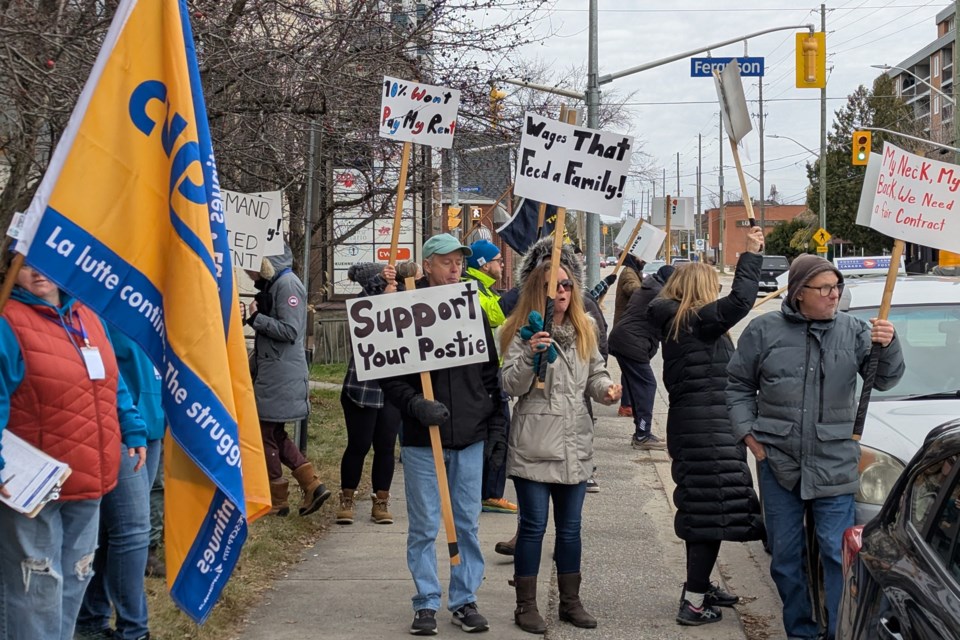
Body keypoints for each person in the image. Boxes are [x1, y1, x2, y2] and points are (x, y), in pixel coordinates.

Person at [727, 253, 904, 640]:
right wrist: (750, 437)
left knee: (837, 555)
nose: (833, 295)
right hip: (779, 462)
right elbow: (737, 385)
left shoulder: (856, 332)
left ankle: (839, 631)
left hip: (835, 462)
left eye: (837, 287)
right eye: (824, 288)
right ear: (798, 293)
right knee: (786, 560)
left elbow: (887, 380)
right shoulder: (763, 331)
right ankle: (802, 632)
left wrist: (887, 346)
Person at [0, 264, 147, 640]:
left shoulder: (87, 315)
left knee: (74, 582)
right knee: (36, 590)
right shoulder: (7, 320)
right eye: (26, 263)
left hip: (88, 480)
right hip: (33, 488)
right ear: (11, 268)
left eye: (44, 259)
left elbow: (111, 381)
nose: (37, 271)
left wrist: (131, 427)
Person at [380, 234, 506, 636]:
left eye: (459, 262)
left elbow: (491, 377)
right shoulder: (405, 312)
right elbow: (389, 375)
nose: (455, 268)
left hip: (469, 437)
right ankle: (425, 602)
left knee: (467, 523)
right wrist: (416, 405)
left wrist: (495, 428)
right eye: (447, 262)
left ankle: (464, 599)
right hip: (422, 441)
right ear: (428, 266)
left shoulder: (473, 313)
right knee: (424, 526)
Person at [647, 226, 767, 626]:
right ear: (700, 290)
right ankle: (695, 601)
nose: (717, 291)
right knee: (710, 513)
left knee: (704, 511)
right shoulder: (697, 321)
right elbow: (742, 300)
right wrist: (751, 254)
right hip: (708, 430)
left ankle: (696, 586)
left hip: (698, 426)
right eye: (713, 285)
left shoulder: (682, 323)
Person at [499, 250, 621, 634]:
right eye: (556, 285)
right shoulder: (520, 329)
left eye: (568, 284)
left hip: (575, 442)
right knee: (534, 526)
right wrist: (530, 355)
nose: (563, 291)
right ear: (540, 289)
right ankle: (526, 606)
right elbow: (508, 386)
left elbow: (595, 374)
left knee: (571, 529)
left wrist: (606, 391)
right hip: (535, 441)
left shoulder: (585, 326)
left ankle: (571, 602)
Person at [77, 329, 165, 640]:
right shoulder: (105, 293)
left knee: (111, 529)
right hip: (118, 423)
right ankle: (134, 630)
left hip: (151, 421)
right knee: (132, 529)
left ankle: (90, 620)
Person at [245, 245, 330, 517]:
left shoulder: (286, 284)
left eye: (250, 265)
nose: (247, 272)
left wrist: (256, 319)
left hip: (280, 373)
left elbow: (291, 330)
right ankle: (311, 485)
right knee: (274, 431)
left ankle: (278, 497)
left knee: (265, 432)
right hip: (275, 371)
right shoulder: (278, 283)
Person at [336, 262, 404, 525]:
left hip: (392, 389)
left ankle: (381, 501)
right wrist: (380, 286)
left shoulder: (400, 301)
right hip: (362, 388)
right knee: (359, 445)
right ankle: (347, 498)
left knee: (385, 447)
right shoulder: (363, 304)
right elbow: (363, 307)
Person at [462, 238, 517, 515]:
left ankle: (486, 491)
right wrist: (522, 290)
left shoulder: (483, 287)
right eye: (497, 260)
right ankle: (490, 494)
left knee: (495, 433)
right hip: (485, 375)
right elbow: (493, 314)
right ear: (483, 264)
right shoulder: (471, 288)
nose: (502, 264)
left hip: (490, 371)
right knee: (499, 433)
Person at [608, 264, 675, 450]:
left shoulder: (648, 286)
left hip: (623, 340)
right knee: (647, 385)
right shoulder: (658, 294)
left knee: (637, 386)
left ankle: (641, 431)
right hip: (631, 343)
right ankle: (643, 434)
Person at [612, 253, 645, 418]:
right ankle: (626, 405)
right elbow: (632, 288)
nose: (644, 261)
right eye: (641, 257)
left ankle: (628, 403)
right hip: (626, 331)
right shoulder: (628, 273)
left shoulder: (634, 271)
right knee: (630, 369)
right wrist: (648, 288)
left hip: (628, 329)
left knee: (629, 369)